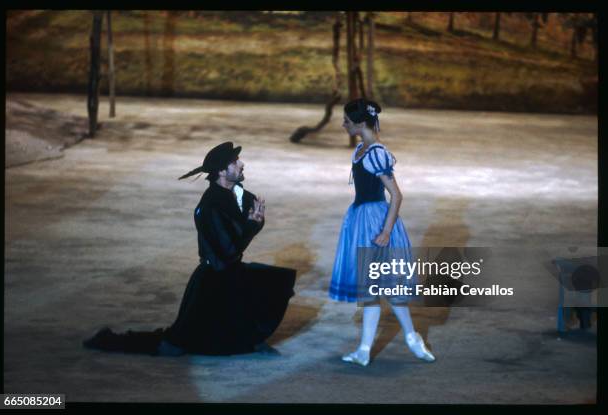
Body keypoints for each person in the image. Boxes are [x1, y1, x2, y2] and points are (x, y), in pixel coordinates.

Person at [84, 142, 296, 356]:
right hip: (213, 282)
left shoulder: (239, 193)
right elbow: (227, 253)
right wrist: (252, 226)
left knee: (274, 283)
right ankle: (110, 341)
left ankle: (242, 337)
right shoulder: (209, 207)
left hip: (232, 274)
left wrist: (255, 222)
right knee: (172, 346)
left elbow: (242, 231)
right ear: (222, 172)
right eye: (234, 162)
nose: (242, 164)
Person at [329, 98, 435, 366]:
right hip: (361, 220)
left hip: (376, 222)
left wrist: (386, 231)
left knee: (388, 286)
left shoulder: (376, 152)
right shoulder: (361, 150)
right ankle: (365, 350)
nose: (343, 124)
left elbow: (397, 195)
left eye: (347, 121)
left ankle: (412, 337)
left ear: (361, 123)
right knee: (372, 288)